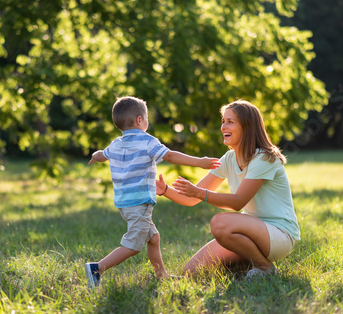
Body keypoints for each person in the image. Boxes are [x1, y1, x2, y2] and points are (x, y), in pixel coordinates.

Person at [85, 96, 221, 289]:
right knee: (132, 246)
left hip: (125, 204)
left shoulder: (116, 143)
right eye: (147, 118)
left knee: (153, 238)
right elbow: (171, 156)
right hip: (139, 203)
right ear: (140, 120)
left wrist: (94, 156)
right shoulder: (147, 141)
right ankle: (96, 268)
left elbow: (101, 155)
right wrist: (199, 162)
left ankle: (161, 275)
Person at [156, 99, 300, 279]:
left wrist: (200, 193)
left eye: (230, 122)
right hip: (249, 233)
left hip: (279, 234)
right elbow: (191, 199)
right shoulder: (229, 159)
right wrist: (164, 190)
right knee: (191, 272)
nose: (224, 126)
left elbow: (238, 202)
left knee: (220, 223)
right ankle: (247, 263)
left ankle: (264, 267)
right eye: (223, 121)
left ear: (247, 127)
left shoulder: (264, 158)